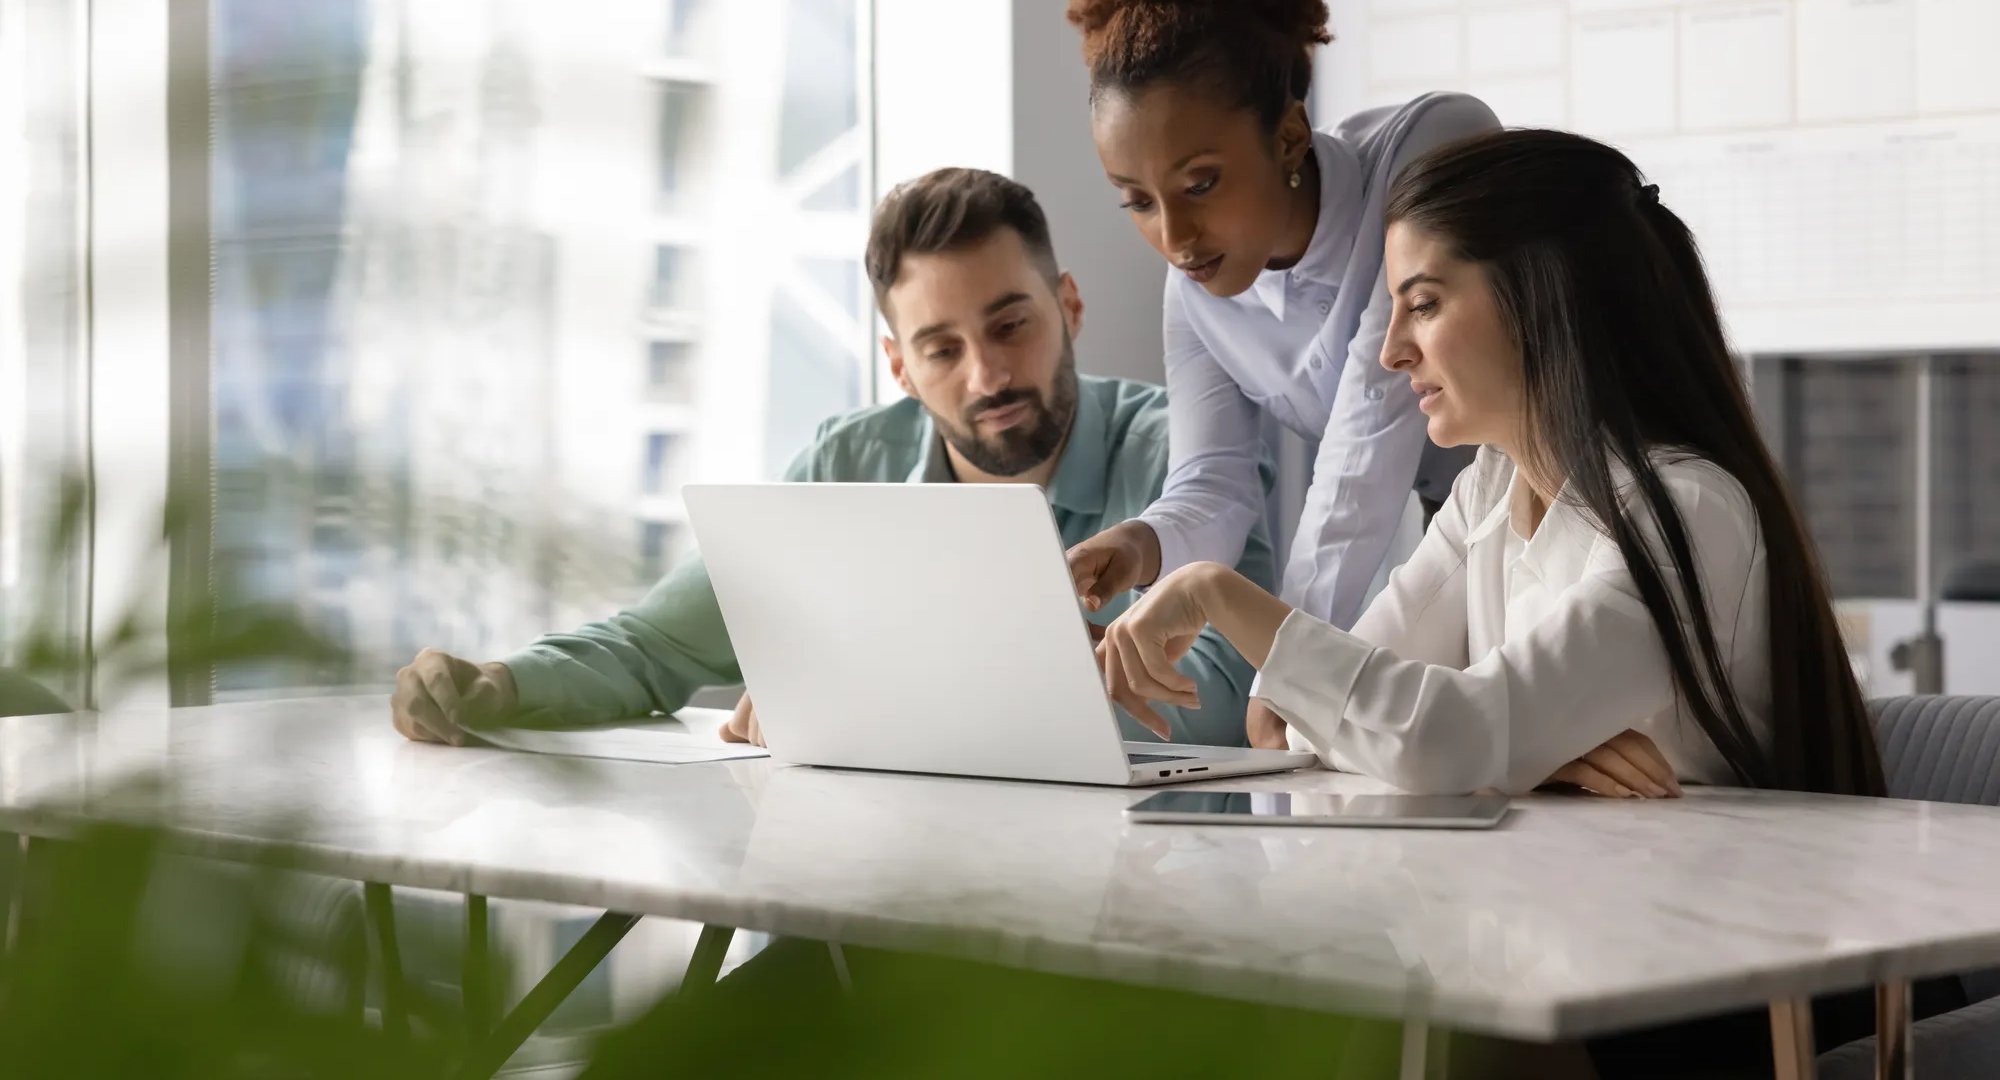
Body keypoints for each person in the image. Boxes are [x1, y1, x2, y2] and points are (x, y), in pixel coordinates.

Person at [1096, 128, 1970, 1075]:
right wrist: (1531, 754)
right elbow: (1286, 722)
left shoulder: (1689, 508)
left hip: (1739, 977)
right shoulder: (1484, 492)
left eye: (1422, 305)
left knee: (1430, 1024)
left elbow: (1441, 739)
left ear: (1541, 300)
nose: (1391, 351)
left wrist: (1215, 591)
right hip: (1583, 941)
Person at [389, 167, 1275, 751]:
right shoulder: (851, 461)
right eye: (941, 348)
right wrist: (498, 684)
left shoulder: (1189, 455)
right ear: (899, 364)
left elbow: (1232, 700)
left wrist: (858, 704)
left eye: (1011, 324)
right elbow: (656, 645)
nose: (990, 373)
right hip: (897, 906)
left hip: (1143, 923)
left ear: (1068, 307)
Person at [1059, 0, 1500, 750]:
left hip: (1582, 503)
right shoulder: (1196, 292)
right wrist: (1140, 544)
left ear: (1289, 136)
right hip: (1458, 531)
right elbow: (1215, 483)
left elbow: (1366, 446)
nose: (1174, 238)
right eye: (1137, 201)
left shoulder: (1422, 151)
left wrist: (1284, 671)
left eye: (1200, 184)